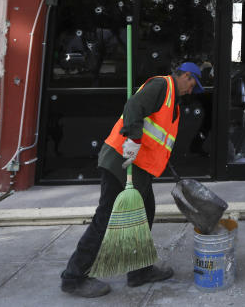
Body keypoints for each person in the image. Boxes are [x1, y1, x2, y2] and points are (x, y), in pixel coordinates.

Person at [60, 61, 205, 298]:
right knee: (105, 218)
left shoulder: (172, 102)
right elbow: (133, 107)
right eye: (192, 83)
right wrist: (134, 139)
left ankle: (139, 271)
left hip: (138, 168)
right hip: (121, 161)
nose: (192, 90)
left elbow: (157, 136)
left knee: (145, 214)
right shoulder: (161, 86)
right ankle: (73, 277)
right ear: (186, 75)